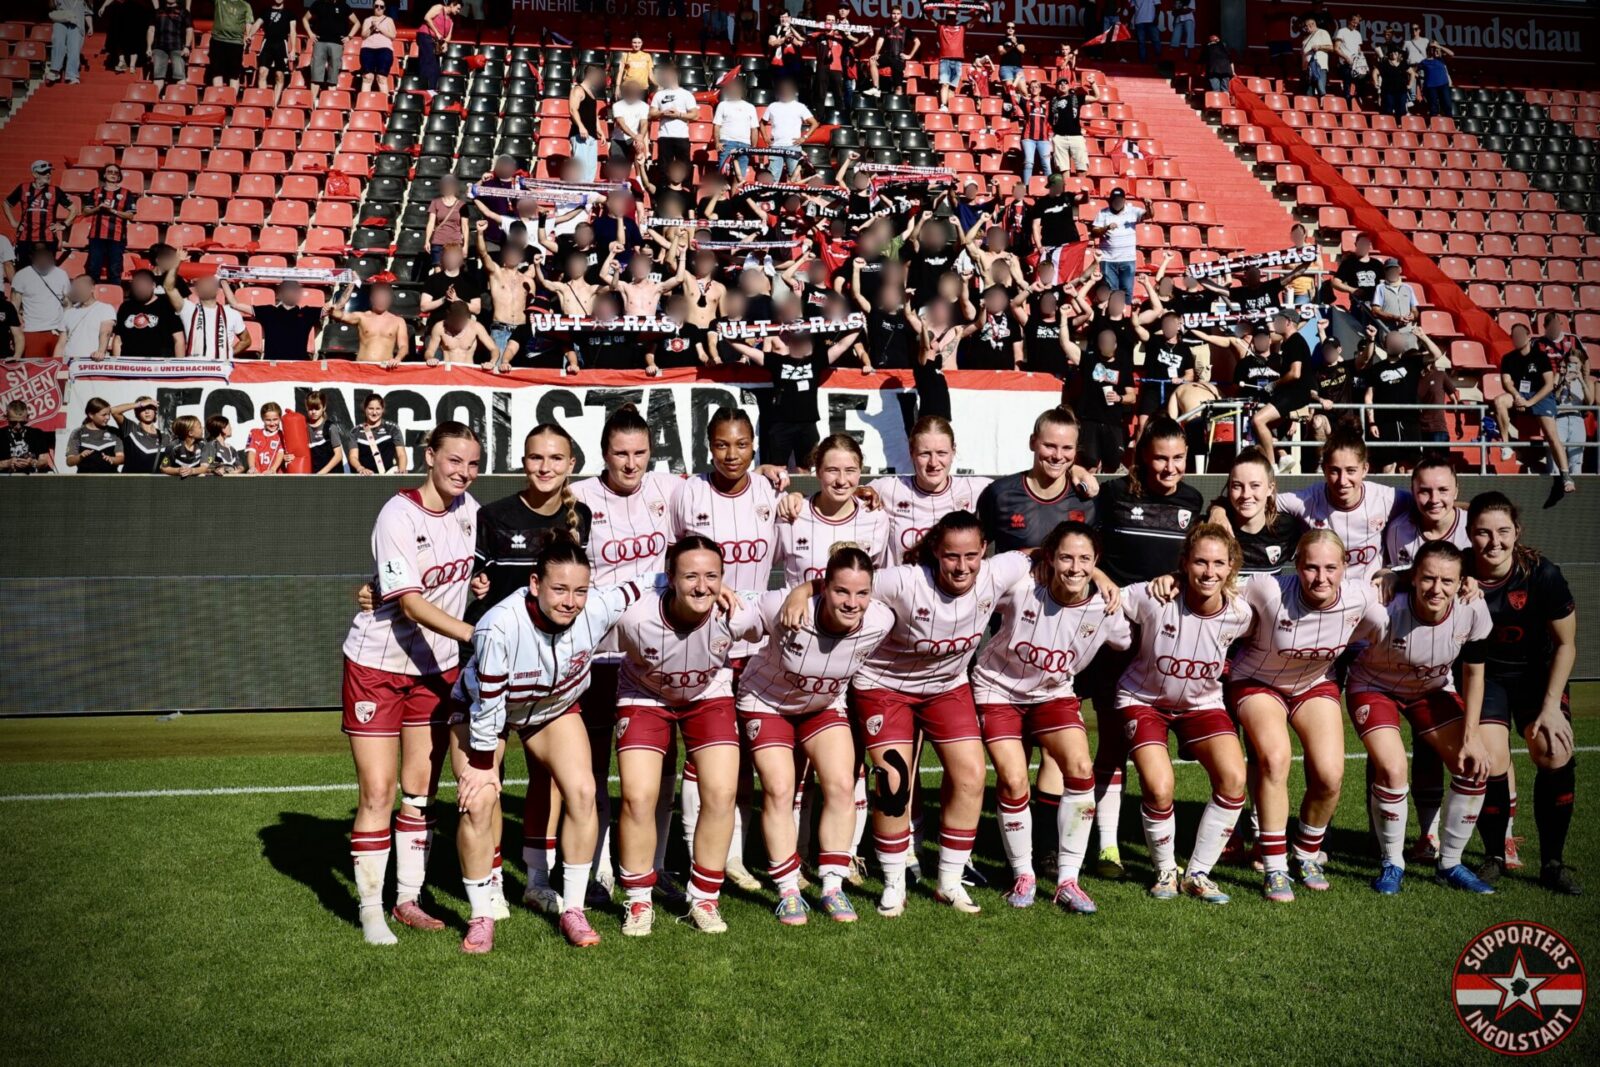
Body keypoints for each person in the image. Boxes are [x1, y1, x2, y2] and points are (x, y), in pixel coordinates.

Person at [453, 537, 649, 952]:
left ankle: (573, 909)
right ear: (535, 584)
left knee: (583, 792)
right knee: (479, 800)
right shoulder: (498, 626)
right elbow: (489, 705)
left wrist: (705, 585)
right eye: (559, 589)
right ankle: (481, 915)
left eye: (580, 590)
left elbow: (647, 582)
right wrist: (483, 764)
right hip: (486, 710)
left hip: (552, 709)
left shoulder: (597, 607)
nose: (571, 602)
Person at [844, 511, 1035, 916]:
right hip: (885, 687)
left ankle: (949, 881)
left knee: (971, 775)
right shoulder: (905, 580)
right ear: (935, 550)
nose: (962, 566)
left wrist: (1101, 577)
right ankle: (894, 883)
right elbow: (848, 582)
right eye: (952, 556)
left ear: (984, 550)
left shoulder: (998, 571)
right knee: (894, 783)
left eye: (971, 555)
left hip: (947, 687)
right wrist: (801, 593)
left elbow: (1044, 553)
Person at [342, 422, 482, 945]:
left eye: (472, 464)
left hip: (435, 669)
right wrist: (472, 633)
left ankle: (407, 900)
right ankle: (370, 910)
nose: (463, 472)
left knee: (419, 792)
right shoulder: (397, 514)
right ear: (430, 456)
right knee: (378, 790)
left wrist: (480, 582)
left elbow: (484, 566)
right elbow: (410, 602)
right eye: (454, 460)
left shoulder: (470, 511)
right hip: (377, 667)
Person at [973, 520, 1129, 913]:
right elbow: (985, 581)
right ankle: (1023, 874)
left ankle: (1068, 880)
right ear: (1051, 559)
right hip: (997, 690)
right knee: (1013, 779)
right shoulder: (1022, 588)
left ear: (1096, 561)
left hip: (1052, 694)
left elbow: (1126, 639)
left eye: (1085, 559)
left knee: (1080, 768)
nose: (1075, 568)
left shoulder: (1106, 608)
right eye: (1066, 558)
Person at [570, 405, 688, 908]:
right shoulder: (578, 497)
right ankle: (595, 869)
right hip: (600, 654)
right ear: (604, 453)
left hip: (656, 653)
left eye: (640, 452)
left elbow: (725, 486)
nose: (631, 463)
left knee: (661, 767)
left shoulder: (669, 489)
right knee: (593, 767)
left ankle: (653, 866)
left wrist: (774, 477)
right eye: (621, 453)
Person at [1226, 532, 1387, 900]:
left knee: (1330, 776)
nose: (1321, 577)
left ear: (1345, 567)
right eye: (1311, 567)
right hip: (1257, 681)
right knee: (1274, 759)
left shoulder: (1361, 597)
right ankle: (1274, 866)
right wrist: (1172, 579)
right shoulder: (1268, 589)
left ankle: (1306, 854)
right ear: (1296, 566)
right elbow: (1216, 586)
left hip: (1314, 683)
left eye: (1331, 568)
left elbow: (1378, 627)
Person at [739, 548, 895, 924]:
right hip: (767, 702)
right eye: (842, 591)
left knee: (841, 784)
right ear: (825, 587)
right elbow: (733, 615)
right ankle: (788, 891)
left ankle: (832, 886)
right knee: (780, 788)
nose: (852, 603)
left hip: (823, 705)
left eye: (862, 593)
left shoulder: (881, 620)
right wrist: (798, 592)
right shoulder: (784, 606)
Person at [612, 535, 758, 936]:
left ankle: (704, 898)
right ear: (670, 577)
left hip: (707, 695)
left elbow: (784, 608)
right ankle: (638, 900)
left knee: (721, 793)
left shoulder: (736, 610)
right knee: (638, 796)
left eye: (712, 576)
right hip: (644, 695)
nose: (701, 586)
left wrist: (804, 591)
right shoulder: (635, 613)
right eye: (690, 576)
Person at [669, 408, 787, 891]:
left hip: (757, 644)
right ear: (708, 446)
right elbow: (672, 560)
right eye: (721, 444)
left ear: (754, 445)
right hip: (702, 641)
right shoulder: (687, 493)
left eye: (740, 444)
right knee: (706, 752)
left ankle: (736, 854)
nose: (731, 454)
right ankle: (699, 851)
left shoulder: (771, 492)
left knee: (748, 753)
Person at [1346, 541, 1494, 895]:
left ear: (1461, 583)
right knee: (1393, 769)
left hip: (1432, 690)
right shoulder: (1383, 607)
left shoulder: (1473, 609)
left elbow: (1474, 674)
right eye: (1428, 578)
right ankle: (1392, 863)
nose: (1436, 588)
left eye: (1447, 581)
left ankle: (1450, 864)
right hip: (1374, 686)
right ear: (1413, 577)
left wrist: (1472, 736)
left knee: (1473, 765)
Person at [1118, 523, 1253, 904]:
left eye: (1219, 563)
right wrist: (1096, 573)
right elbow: (1109, 596)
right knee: (1160, 787)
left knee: (1233, 779)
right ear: (1184, 564)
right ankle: (1165, 871)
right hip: (1143, 700)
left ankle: (1198, 874)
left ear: (1231, 567)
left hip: (1201, 705)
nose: (1209, 572)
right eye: (1200, 562)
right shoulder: (1154, 597)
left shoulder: (1241, 614)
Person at [1465, 493, 1581, 895]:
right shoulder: (1458, 571)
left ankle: (1553, 863)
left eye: (1503, 531)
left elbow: (1566, 645)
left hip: (1537, 677)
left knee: (1553, 750)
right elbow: (1417, 573)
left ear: (1517, 532)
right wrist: (1392, 577)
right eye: (1483, 532)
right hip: (1486, 678)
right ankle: (1494, 855)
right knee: (1491, 759)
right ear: (1470, 534)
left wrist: (1551, 708)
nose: (1494, 541)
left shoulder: (1542, 574)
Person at [774, 435, 892, 585]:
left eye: (850, 470)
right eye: (832, 470)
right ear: (818, 471)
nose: (841, 480)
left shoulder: (876, 518)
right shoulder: (791, 514)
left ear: (860, 471)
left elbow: (879, 581)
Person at [976, 407, 1096, 551]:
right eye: (1049, 446)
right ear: (1032, 442)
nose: (1058, 456)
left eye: (1067, 448)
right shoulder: (1000, 494)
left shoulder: (1086, 499)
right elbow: (975, 551)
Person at [1492, 322, 1575, 494]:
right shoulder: (1508, 358)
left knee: (1552, 436)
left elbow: (1549, 385)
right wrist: (1517, 397)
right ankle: (1506, 445)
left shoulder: (1540, 357)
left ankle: (1566, 475)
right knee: (1499, 401)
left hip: (1540, 396)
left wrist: (1530, 402)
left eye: (1520, 335)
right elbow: (1506, 382)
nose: (1517, 338)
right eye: (1514, 336)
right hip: (1520, 394)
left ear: (1528, 337)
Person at [1215, 448, 1304, 575]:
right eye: (1237, 486)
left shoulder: (1287, 528)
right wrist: (1216, 510)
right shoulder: (1215, 527)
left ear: (1270, 488)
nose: (1246, 494)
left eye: (1255, 485)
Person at [164, 267, 249, 361]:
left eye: (210, 283)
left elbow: (246, 340)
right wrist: (176, 263)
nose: (206, 286)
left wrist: (229, 353)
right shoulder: (188, 309)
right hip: (195, 366)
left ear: (217, 289)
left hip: (220, 367)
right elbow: (169, 288)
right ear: (197, 290)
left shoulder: (231, 313)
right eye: (203, 284)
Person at [233, 281, 325, 361]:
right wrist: (224, 282)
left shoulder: (307, 313)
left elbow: (331, 309)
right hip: (272, 366)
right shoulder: (269, 311)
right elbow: (235, 305)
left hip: (297, 367)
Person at [6, 161, 75, 264]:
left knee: (45, 269)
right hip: (25, 239)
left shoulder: (55, 190)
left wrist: (64, 225)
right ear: (35, 174)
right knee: (24, 269)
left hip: (47, 239)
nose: (48, 175)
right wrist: (13, 222)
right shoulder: (23, 188)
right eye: (44, 172)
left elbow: (74, 209)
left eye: (49, 172)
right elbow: (6, 203)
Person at [1088, 188, 1149, 302]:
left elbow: (1149, 215)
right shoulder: (1103, 213)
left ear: (1124, 200)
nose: (1117, 202)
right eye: (1115, 200)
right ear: (1110, 200)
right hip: (1108, 259)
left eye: (1120, 200)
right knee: (1111, 291)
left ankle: (1126, 312)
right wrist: (1106, 228)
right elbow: (1094, 233)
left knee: (1127, 290)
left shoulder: (1132, 211)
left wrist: (1149, 206)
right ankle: (1112, 312)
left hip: (1128, 259)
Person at [328, 281, 411, 365]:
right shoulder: (362, 317)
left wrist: (397, 358)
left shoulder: (398, 321)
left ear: (389, 299)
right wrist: (351, 285)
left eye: (384, 297)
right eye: (378, 297)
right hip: (362, 366)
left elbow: (404, 346)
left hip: (385, 367)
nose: (381, 300)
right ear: (372, 298)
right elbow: (338, 314)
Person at [12, 244, 71, 358]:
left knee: (58, 366)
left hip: (57, 331)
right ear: (32, 257)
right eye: (39, 256)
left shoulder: (61, 274)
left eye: (46, 256)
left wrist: (65, 327)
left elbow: (67, 304)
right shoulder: (21, 275)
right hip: (32, 331)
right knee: (33, 367)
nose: (43, 260)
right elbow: (14, 305)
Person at [112, 268, 183, 358]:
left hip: (159, 363)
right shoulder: (125, 307)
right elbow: (118, 340)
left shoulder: (166, 306)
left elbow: (179, 340)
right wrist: (117, 363)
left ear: (153, 285)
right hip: (130, 363)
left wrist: (178, 364)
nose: (140, 289)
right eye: (137, 285)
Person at [81, 165, 135, 285]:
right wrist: (98, 208)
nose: (113, 174)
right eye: (110, 171)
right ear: (104, 175)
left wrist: (112, 211)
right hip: (96, 236)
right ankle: (91, 295)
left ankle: (114, 295)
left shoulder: (126, 193)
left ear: (119, 176)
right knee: (93, 269)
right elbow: (85, 212)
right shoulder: (95, 191)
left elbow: (130, 215)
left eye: (116, 172)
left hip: (117, 236)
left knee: (115, 270)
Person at [247, 0, 298, 105]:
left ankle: (274, 104)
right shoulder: (266, 11)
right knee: (262, 72)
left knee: (279, 75)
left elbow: (293, 31)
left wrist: (293, 49)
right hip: (267, 44)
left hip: (281, 45)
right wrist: (249, 35)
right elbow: (257, 24)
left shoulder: (290, 13)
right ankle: (264, 102)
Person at [650, 65, 699, 170]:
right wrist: (662, 113)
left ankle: (685, 182)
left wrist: (678, 115)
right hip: (664, 136)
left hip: (681, 136)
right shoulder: (659, 95)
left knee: (684, 167)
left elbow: (695, 115)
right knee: (664, 168)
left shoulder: (686, 94)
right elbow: (651, 114)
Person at [55, 277, 113, 361]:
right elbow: (61, 343)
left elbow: (105, 333)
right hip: (68, 361)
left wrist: (101, 352)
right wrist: (56, 362)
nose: (79, 290)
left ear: (92, 288)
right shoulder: (68, 313)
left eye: (82, 287)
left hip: (90, 361)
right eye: (76, 287)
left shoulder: (105, 308)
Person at [1048, 77, 1097, 177]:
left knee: (1081, 166)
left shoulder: (1076, 97)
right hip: (1060, 137)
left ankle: (1081, 185)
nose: (1063, 84)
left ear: (1068, 85)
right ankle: (1067, 186)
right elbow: (1051, 119)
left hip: (1076, 137)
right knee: (1063, 168)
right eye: (1060, 83)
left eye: (1065, 83)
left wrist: (1093, 84)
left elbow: (1096, 97)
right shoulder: (1053, 101)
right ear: (1056, 87)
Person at [348, 393, 407, 475]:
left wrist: (402, 469)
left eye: (378, 409)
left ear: (383, 409)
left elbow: (401, 454)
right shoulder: (355, 431)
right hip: (365, 477)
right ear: (365, 409)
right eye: (371, 408)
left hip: (388, 477)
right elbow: (353, 457)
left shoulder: (392, 428)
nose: (374, 412)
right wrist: (361, 469)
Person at [712, 79, 759, 179]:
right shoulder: (722, 105)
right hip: (727, 143)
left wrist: (753, 147)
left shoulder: (750, 107)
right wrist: (717, 143)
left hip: (745, 144)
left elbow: (754, 129)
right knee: (723, 175)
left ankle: (736, 190)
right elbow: (716, 125)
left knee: (740, 177)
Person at [111, 395, 170, 474]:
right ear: (137, 412)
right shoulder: (131, 429)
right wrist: (140, 404)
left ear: (155, 411)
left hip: (154, 481)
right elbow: (114, 411)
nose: (147, 411)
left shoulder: (164, 437)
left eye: (150, 407)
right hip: (131, 480)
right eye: (142, 408)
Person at [569, 64, 606, 184]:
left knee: (591, 168)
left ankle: (588, 194)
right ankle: (578, 193)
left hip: (591, 135)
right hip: (580, 135)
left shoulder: (591, 93)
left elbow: (593, 114)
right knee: (580, 168)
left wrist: (600, 130)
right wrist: (581, 126)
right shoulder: (578, 89)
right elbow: (573, 109)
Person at [66, 397, 124, 472]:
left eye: (109, 414)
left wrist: (112, 459)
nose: (108, 417)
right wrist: (80, 456)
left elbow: (121, 458)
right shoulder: (78, 433)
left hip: (110, 478)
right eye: (104, 415)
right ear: (91, 415)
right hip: (85, 478)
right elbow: (69, 461)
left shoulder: (114, 432)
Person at [147, 0, 193, 91]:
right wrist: (148, 47)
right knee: (158, 78)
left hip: (177, 47)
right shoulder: (158, 11)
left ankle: (179, 98)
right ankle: (154, 98)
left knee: (180, 77)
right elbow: (151, 29)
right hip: (159, 48)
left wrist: (187, 47)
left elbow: (189, 30)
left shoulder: (184, 12)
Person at [205, 0, 252, 89]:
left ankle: (232, 97)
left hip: (236, 43)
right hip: (218, 40)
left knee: (234, 74)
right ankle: (218, 97)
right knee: (217, 72)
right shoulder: (219, 1)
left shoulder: (245, 5)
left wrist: (249, 35)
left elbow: (248, 22)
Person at [1, 400, 55, 474]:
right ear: (6, 417)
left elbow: (44, 461)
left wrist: (32, 462)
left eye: (22, 422)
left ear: (27, 417)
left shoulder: (37, 433)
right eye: (13, 422)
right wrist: (7, 463)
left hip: (32, 478)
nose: (18, 426)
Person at [414, 2, 459, 92]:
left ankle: (432, 89)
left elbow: (448, 37)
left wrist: (445, 43)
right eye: (458, 8)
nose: (458, 11)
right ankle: (425, 89)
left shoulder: (451, 21)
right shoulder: (439, 7)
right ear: (452, 4)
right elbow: (427, 17)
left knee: (436, 68)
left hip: (435, 43)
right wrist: (437, 32)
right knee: (428, 63)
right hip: (426, 36)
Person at [45, 0, 91, 85]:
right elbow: (52, 6)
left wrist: (90, 26)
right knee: (58, 42)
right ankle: (55, 70)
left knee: (74, 48)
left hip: (77, 23)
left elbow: (87, 13)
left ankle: (72, 75)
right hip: (61, 20)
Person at [357, 1, 396, 95]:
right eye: (376, 6)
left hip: (384, 49)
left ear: (384, 8)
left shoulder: (389, 20)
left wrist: (379, 27)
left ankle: (384, 102)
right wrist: (371, 28)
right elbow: (363, 36)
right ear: (373, 7)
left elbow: (393, 36)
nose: (379, 8)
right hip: (368, 49)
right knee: (367, 77)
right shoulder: (367, 20)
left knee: (381, 77)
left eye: (381, 6)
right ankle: (365, 102)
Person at [302, 392, 346, 474]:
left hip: (332, 475)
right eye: (310, 409)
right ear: (306, 408)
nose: (313, 412)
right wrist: (289, 457)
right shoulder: (303, 427)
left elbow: (338, 455)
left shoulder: (330, 427)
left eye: (317, 408)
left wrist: (321, 473)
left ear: (324, 407)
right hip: (313, 476)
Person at [100, 0, 149, 74]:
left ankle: (132, 65)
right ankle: (122, 61)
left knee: (135, 38)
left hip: (136, 11)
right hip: (120, 11)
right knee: (118, 37)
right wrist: (103, 6)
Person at [934, 8, 968, 112]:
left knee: (952, 87)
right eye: (948, 16)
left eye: (952, 16)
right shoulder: (941, 27)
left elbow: (973, 21)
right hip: (945, 60)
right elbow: (930, 18)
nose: (950, 18)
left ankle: (949, 107)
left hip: (958, 60)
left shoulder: (961, 27)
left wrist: (982, 11)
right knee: (945, 83)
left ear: (956, 17)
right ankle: (943, 105)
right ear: (945, 17)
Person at [244, 402, 288, 475]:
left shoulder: (282, 435)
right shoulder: (254, 433)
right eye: (268, 420)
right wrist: (252, 467)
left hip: (275, 476)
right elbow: (251, 452)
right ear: (262, 419)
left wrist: (273, 469)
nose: (272, 423)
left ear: (280, 418)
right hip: (257, 475)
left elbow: (280, 453)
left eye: (275, 419)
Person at [1334, 15, 1368, 105]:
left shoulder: (1358, 34)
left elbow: (1359, 49)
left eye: (1357, 23)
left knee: (1363, 80)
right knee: (1347, 83)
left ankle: (1358, 101)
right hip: (1345, 64)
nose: (1355, 25)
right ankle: (1347, 103)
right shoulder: (1342, 31)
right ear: (1349, 21)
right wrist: (1346, 57)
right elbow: (1336, 48)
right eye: (1354, 22)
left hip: (1356, 65)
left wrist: (1361, 59)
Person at [1300, 17, 1333, 98]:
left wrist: (1319, 47)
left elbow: (1331, 48)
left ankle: (1322, 105)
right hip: (1307, 69)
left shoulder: (1322, 32)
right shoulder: (1306, 37)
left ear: (1312, 24)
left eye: (1306, 26)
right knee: (1309, 92)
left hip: (1319, 66)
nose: (1305, 28)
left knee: (1320, 90)